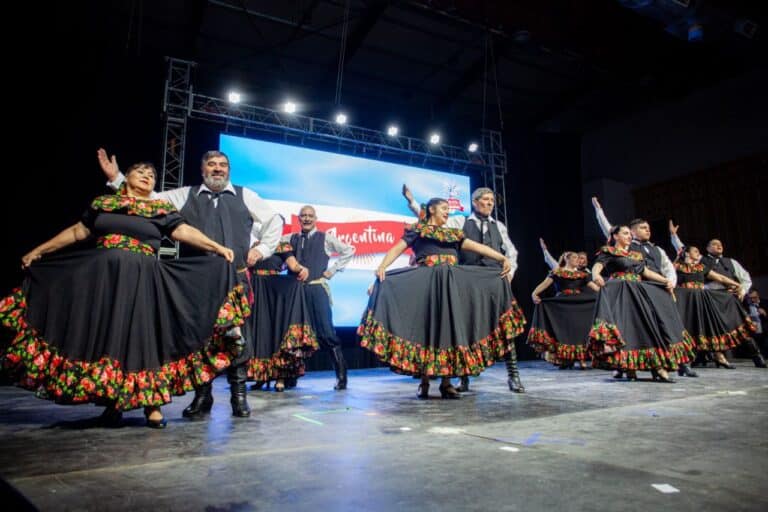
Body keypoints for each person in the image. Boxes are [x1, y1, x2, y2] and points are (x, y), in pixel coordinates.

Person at [0, 161, 249, 428]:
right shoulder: (103, 204)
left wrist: (217, 247)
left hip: (143, 280)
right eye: (140, 171)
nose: (147, 176)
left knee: (143, 337)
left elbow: (183, 231)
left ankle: (152, 406)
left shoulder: (159, 208)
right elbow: (76, 232)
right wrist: (39, 250)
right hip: (104, 282)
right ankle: (112, 404)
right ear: (126, 177)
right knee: (108, 336)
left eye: (152, 175)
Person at [98, 148, 283, 417]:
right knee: (200, 339)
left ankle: (239, 396)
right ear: (203, 169)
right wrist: (117, 179)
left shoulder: (246, 195)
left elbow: (273, 221)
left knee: (240, 336)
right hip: (197, 281)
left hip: (236, 277)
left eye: (222, 164)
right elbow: (147, 201)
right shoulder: (185, 194)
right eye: (212, 164)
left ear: (228, 170)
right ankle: (203, 397)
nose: (218, 169)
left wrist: (262, 250)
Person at [359, 197, 517, 398]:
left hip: (450, 286)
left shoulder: (453, 234)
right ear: (432, 209)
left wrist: (501, 257)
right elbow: (398, 248)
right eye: (444, 208)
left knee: (448, 331)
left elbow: (478, 247)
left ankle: (446, 382)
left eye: (448, 209)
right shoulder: (419, 230)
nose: (447, 212)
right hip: (428, 284)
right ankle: (424, 382)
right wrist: (382, 266)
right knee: (427, 330)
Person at [403, 185, 526, 393]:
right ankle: (464, 378)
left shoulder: (499, 226)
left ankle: (513, 375)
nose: (489, 204)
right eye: (485, 200)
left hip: (492, 279)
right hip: (465, 280)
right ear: (475, 202)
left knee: (505, 326)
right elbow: (431, 223)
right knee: (464, 328)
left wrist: (510, 273)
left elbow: (511, 252)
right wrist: (413, 202)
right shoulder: (459, 222)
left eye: (491, 201)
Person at [591, 197, 698, 379]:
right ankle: (629, 365)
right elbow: (604, 245)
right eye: (642, 228)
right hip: (627, 290)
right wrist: (599, 211)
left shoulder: (651, 250)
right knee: (633, 326)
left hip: (651, 289)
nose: (647, 230)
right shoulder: (614, 249)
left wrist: (668, 281)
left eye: (648, 228)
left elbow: (659, 269)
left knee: (666, 324)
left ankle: (679, 363)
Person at [669, 221, 766, 368]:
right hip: (701, 297)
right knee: (699, 327)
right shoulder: (699, 261)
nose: (718, 245)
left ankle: (755, 355)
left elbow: (740, 278)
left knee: (735, 324)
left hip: (726, 298)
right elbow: (680, 251)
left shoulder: (729, 262)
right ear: (706, 249)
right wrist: (674, 235)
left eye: (720, 244)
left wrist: (740, 288)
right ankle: (698, 357)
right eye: (714, 244)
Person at [281, 205, 355, 391]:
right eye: (303, 216)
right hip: (295, 291)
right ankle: (291, 376)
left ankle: (341, 376)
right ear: (298, 219)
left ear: (315, 218)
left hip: (316, 288)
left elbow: (349, 250)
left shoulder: (325, 238)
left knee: (326, 333)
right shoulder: (290, 238)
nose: (306, 219)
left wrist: (332, 270)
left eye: (310, 216)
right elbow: (274, 246)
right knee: (293, 333)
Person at [246, 239, 318, 392]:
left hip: (276, 290)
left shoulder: (281, 244)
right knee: (259, 331)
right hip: (256, 289)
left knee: (276, 331)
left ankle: (280, 378)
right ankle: (260, 376)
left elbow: (293, 265)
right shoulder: (253, 245)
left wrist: (302, 269)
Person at [528, 251, 600, 369]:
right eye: (575, 258)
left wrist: (605, 292)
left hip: (577, 304)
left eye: (579, 258)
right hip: (562, 304)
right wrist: (534, 293)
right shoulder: (557, 273)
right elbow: (545, 284)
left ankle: (581, 358)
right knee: (565, 332)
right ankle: (564, 359)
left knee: (579, 331)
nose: (578, 260)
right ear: (567, 259)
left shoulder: (582, 274)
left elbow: (594, 287)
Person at [745, 289, 767, 357]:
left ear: (758, 296)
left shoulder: (765, 303)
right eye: (750, 298)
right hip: (752, 328)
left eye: (754, 297)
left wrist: (765, 313)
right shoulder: (746, 305)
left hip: (764, 329)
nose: (752, 300)